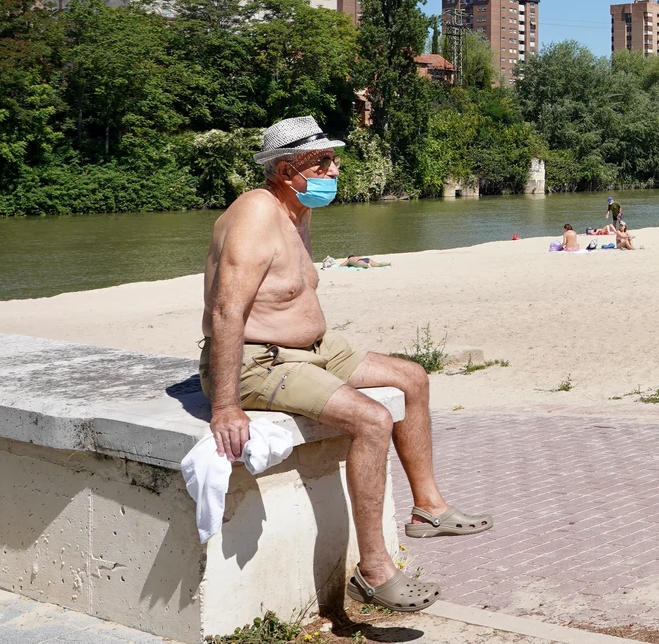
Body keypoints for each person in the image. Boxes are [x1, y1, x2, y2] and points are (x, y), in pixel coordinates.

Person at [200, 117, 490, 614]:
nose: (335, 170)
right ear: (288, 170)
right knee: (372, 419)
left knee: (412, 378)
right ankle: (374, 572)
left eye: (333, 160)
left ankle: (429, 509)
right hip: (259, 360)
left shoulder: (296, 212)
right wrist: (226, 404)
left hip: (312, 349)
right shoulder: (254, 215)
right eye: (323, 162)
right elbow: (228, 310)